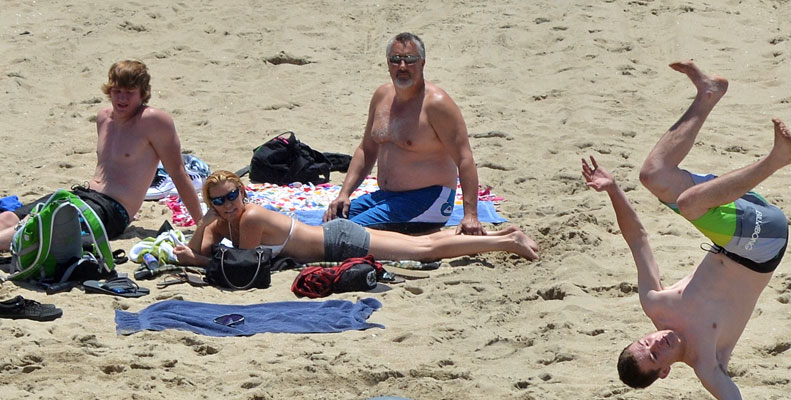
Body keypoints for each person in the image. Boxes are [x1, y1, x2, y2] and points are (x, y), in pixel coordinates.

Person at [582, 60, 791, 400]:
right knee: (687, 204)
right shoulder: (708, 363)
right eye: (654, 355)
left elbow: (638, 238)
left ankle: (708, 93)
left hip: (741, 216)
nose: (655, 342)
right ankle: (779, 159)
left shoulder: (657, 303)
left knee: (653, 176)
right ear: (664, 373)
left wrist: (612, 190)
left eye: (644, 341)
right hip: (764, 244)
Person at [0, 59, 204, 250]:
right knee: (8, 218)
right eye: (117, 91)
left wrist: (202, 225)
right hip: (81, 195)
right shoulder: (104, 118)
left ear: (143, 94)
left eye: (130, 92)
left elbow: (178, 173)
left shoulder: (153, 121)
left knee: (35, 227)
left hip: (112, 210)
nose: (122, 98)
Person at [174, 170, 539, 267]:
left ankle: (506, 242)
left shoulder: (250, 217)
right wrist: (206, 220)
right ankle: (503, 236)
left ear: (243, 192)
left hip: (339, 241)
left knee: (424, 249)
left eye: (232, 195)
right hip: (333, 239)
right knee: (421, 245)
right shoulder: (225, 218)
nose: (228, 205)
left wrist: (199, 258)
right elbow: (197, 247)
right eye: (218, 201)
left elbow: (242, 264)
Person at [323, 32, 485, 236]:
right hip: (387, 197)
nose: (402, 67)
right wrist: (344, 194)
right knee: (330, 222)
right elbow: (367, 148)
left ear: (422, 63)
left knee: (341, 234)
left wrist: (471, 215)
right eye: (395, 60)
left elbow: (464, 158)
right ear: (388, 63)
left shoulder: (436, 104)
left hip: (429, 199)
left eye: (410, 60)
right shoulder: (382, 96)